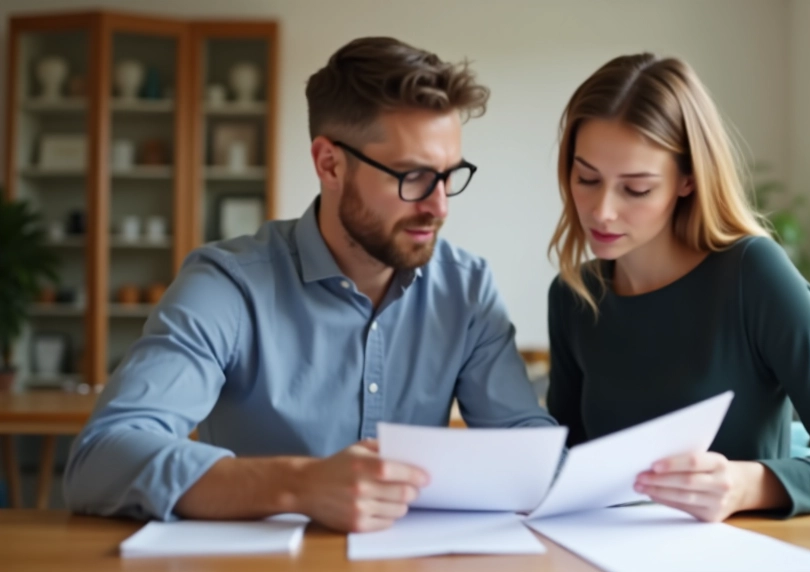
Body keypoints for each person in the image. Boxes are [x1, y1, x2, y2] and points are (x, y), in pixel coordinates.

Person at [64, 37, 555, 533]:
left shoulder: (466, 289)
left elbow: (526, 446)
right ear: (329, 164)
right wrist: (299, 485)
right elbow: (101, 458)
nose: (439, 206)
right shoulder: (228, 285)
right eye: (412, 178)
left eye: (449, 177)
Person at [545, 53, 810, 522]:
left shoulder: (754, 273)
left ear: (687, 179)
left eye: (636, 188)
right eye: (586, 178)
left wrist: (746, 484)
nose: (602, 210)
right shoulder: (572, 296)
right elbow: (568, 463)